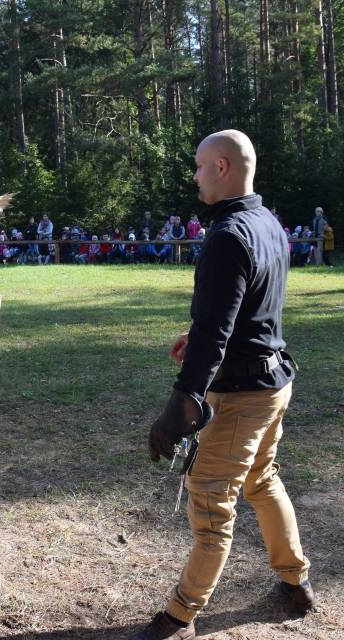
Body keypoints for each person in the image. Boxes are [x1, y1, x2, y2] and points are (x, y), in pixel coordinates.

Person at [132, 130, 313, 640]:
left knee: (211, 503)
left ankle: (179, 617)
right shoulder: (267, 224)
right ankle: (295, 582)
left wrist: (183, 401)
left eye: (198, 166)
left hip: (243, 393)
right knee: (261, 480)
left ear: (223, 168)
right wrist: (201, 334)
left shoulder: (229, 235)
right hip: (274, 381)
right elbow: (249, 308)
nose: (193, 176)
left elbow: (217, 331)